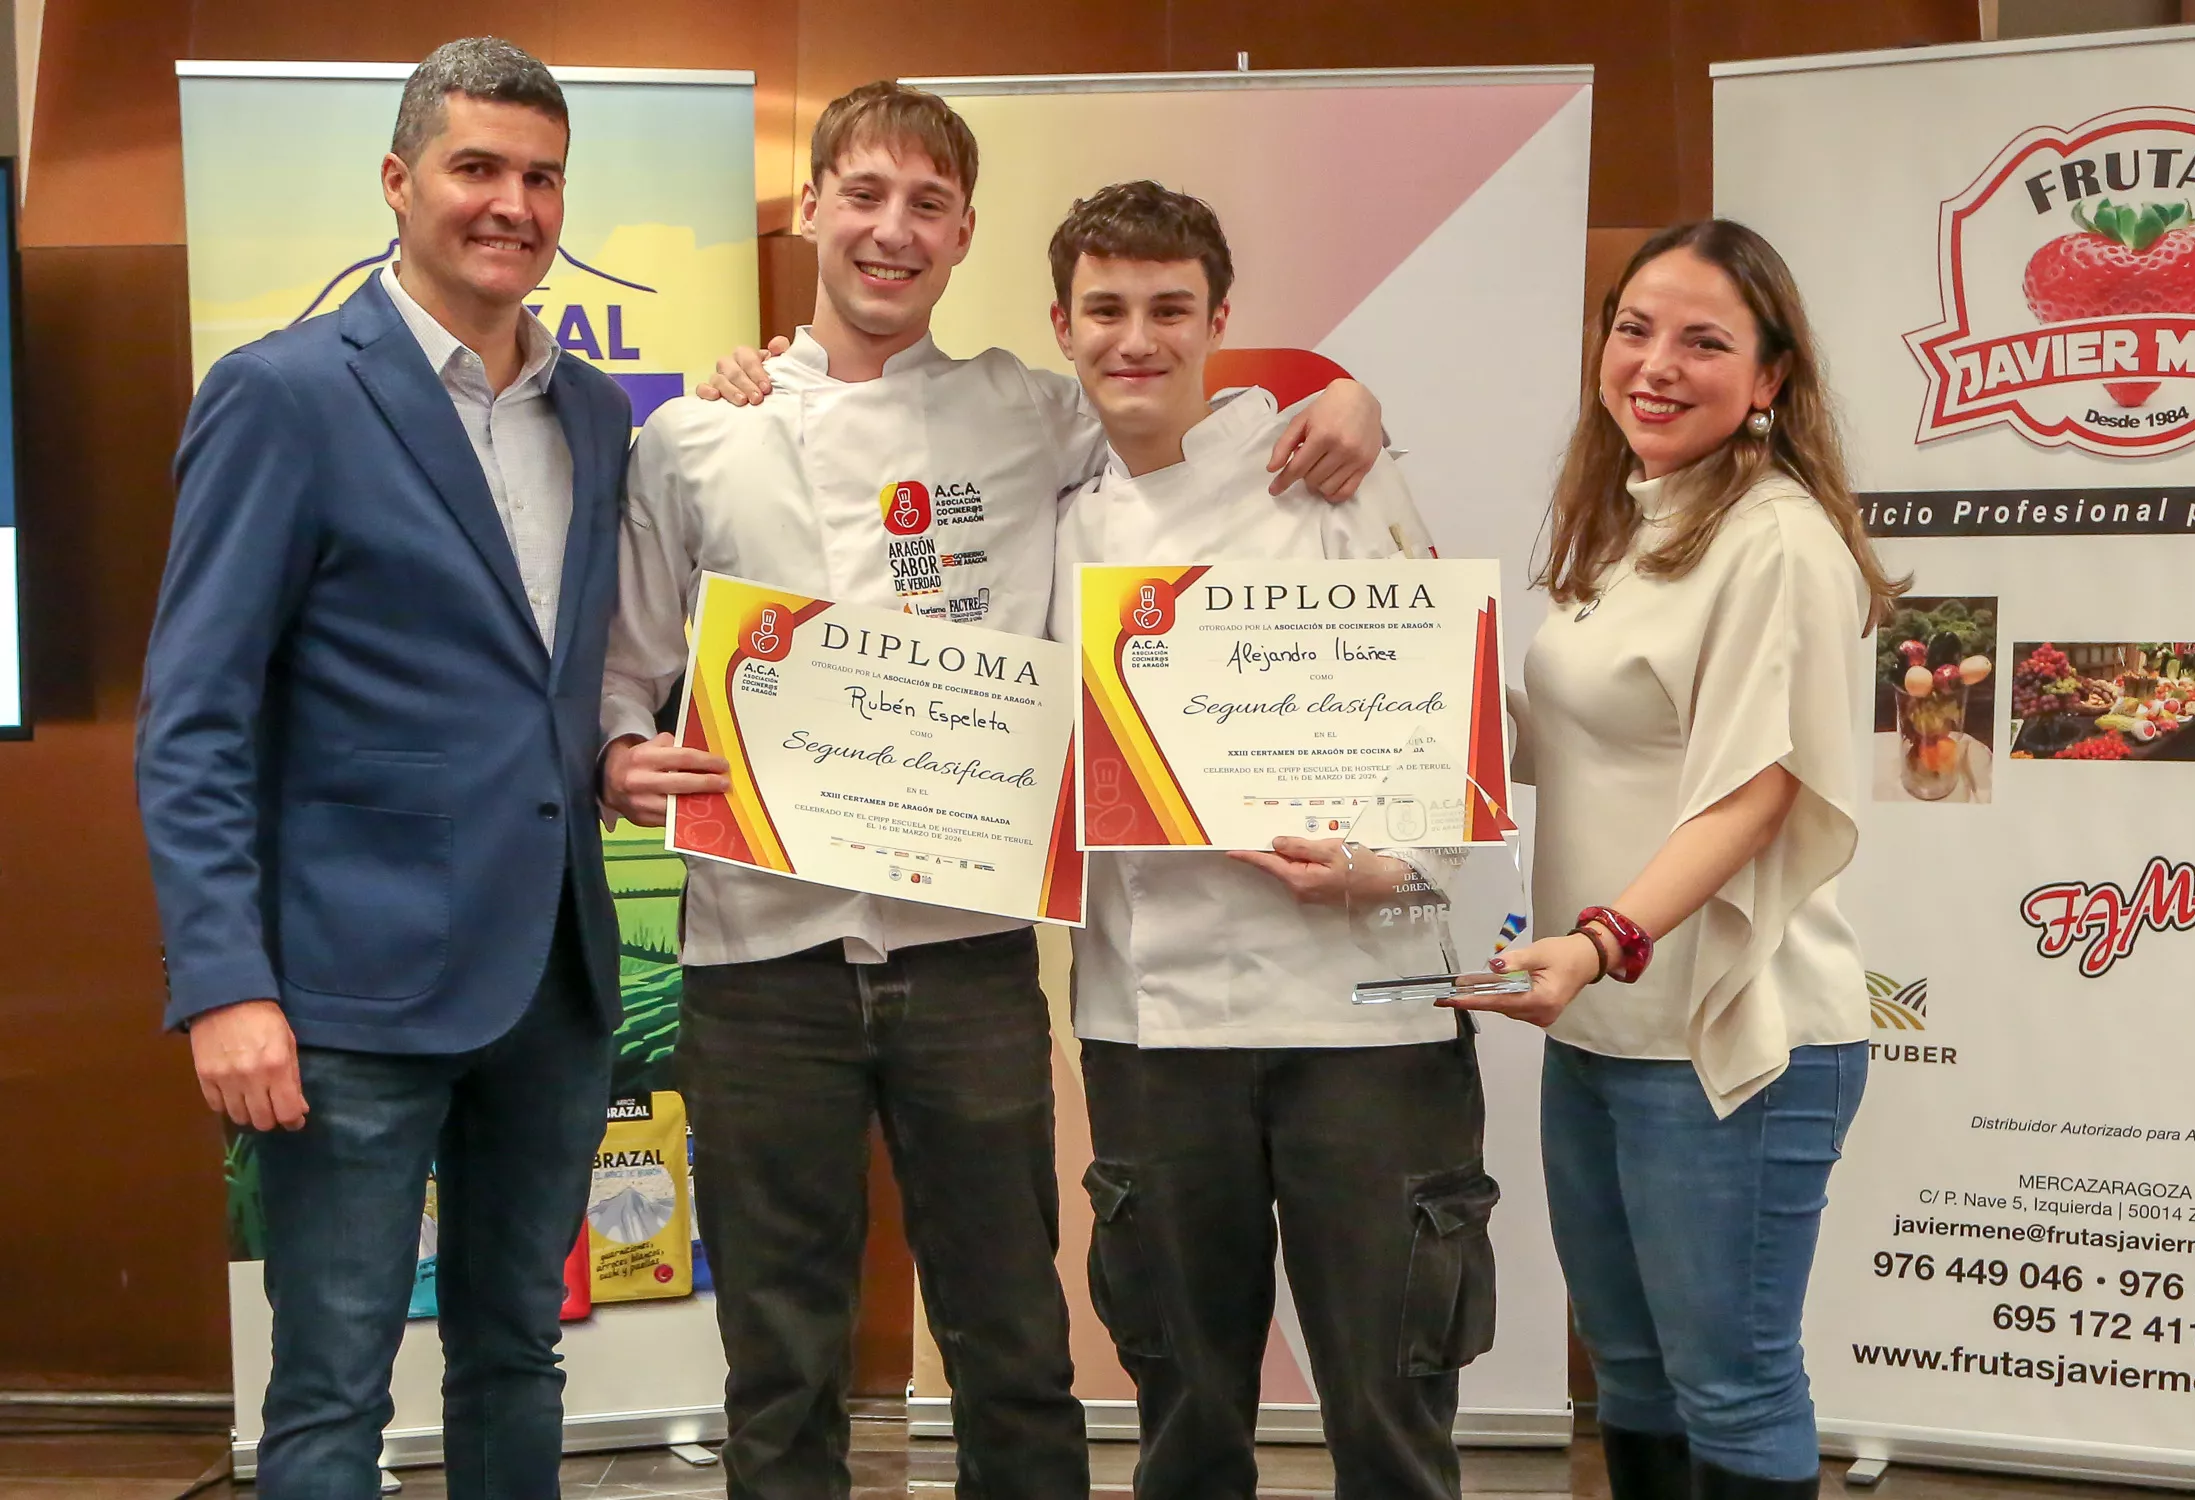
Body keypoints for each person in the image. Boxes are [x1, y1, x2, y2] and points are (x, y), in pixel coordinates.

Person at [601, 83, 1386, 1500]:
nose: (890, 232)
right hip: (755, 956)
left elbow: (1189, 408)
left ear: (964, 234)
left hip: (962, 952)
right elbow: (626, 663)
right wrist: (615, 752)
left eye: (926, 206)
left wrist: (1351, 396)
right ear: (809, 209)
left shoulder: (1031, 415)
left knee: (1012, 1343)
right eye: (864, 195)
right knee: (779, 1358)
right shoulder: (691, 438)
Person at [136, 38, 631, 1497]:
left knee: (514, 1360)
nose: (513, 205)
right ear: (398, 179)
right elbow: (195, 717)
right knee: (331, 1392)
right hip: (345, 993)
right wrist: (225, 983)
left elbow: (562, 682)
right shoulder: (283, 393)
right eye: (477, 168)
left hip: (550, 975)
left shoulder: (593, 415)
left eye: (541, 178)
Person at [1044, 180, 1500, 1500]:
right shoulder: (1061, 517)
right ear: (1062, 326)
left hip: (1370, 1007)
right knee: (1184, 1416)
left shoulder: (1334, 473)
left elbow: (1455, 713)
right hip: (1154, 1024)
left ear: (1219, 318)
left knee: (1390, 1406)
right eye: (1107, 310)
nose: (1137, 339)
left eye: (1169, 309)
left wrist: (1396, 867)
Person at [1445, 220, 1902, 1500]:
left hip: (1727, 1035)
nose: (1655, 363)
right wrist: (1410, 664)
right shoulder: (1634, 523)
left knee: (1735, 1386)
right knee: (1634, 1378)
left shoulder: (1775, 539)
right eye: (1634, 329)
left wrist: (1595, 943)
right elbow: (1593, 746)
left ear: (1770, 380)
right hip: (1603, 1034)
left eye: (1705, 341)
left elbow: (1752, 796)